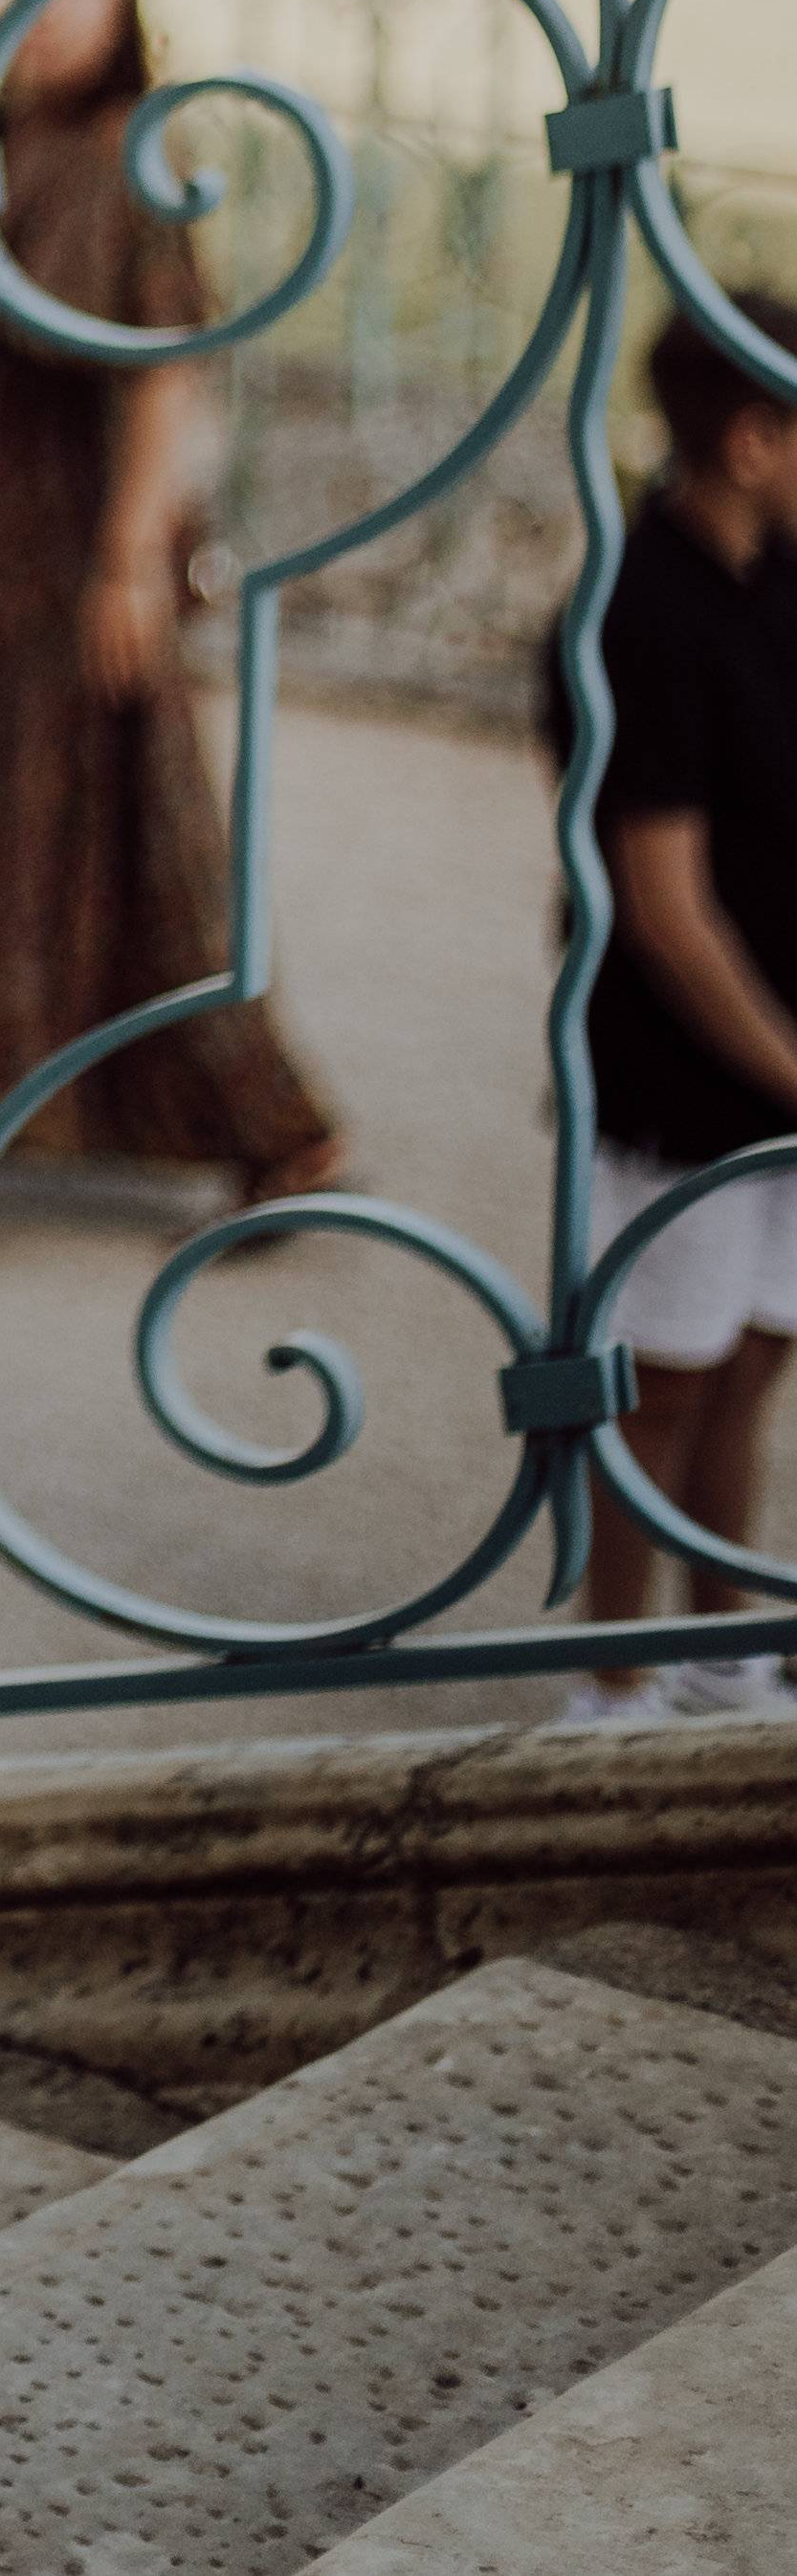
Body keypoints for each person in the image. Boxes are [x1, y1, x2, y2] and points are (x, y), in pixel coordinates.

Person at [0, 0, 343, 1209]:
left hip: (78, 555)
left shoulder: (129, 159)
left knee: (126, 829)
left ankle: (272, 1132)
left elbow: (166, 368)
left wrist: (125, 565)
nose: (35, 13)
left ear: (123, 5)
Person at [547, 280, 797, 1722]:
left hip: (772, 1071)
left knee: (756, 1353)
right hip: (684, 1078)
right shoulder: (643, 611)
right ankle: (606, 1680)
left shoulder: (776, 578)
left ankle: (719, 1651)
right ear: (752, 441)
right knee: (659, 1383)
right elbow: (661, 907)